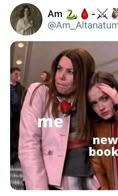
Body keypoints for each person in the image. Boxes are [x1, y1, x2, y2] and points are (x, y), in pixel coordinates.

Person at [19, 48, 99, 190]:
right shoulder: (40, 92)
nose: (61, 76)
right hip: (49, 181)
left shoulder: (91, 99)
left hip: (87, 182)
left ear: (84, 76)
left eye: (70, 72)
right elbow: (29, 144)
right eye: (59, 69)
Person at [10, 67, 25, 165]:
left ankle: (12, 156)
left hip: (17, 116)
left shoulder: (21, 88)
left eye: (19, 74)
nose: (18, 76)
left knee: (15, 135)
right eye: (16, 74)